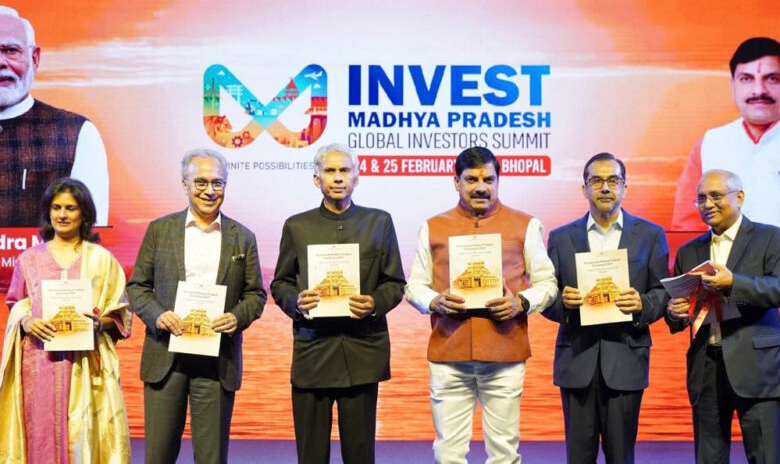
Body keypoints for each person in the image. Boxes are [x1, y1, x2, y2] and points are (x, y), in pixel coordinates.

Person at [405, 146, 558, 464]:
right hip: (449, 352)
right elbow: (414, 286)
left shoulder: (526, 224)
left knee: (504, 451)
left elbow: (548, 284)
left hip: (505, 352)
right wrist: (435, 301)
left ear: (498, 181)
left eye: (488, 179)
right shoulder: (432, 227)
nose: (480, 187)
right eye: (471, 179)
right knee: (447, 451)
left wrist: (521, 303)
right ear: (456, 181)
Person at [127, 149, 265, 464]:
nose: (209, 190)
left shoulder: (243, 237)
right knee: (158, 457)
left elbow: (256, 294)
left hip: (217, 360)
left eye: (217, 183)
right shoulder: (159, 230)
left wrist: (237, 317)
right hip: (166, 356)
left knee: (212, 458)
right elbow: (137, 287)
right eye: (200, 182)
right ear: (184, 184)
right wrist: (158, 316)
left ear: (225, 185)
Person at [271, 143, 405, 464]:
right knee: (311, 456)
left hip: (363, 354)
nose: (338, 177)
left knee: (360, 455)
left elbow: (395, 283)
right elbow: (280, 283)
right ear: (316, 178)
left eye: (345, 170)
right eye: (329, 171)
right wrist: (296, 302)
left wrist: (374, 303)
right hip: (312, 353)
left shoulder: (379, 222)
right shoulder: (296, 226)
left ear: (357, 177)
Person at [542, 153, 670, 464]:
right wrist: (563, 304)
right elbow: (546, 296)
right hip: (577, 360)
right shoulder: (560, 237)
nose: (605, 187)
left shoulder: (651, 235)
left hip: (626, 357)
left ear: (625, 187)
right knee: (578, 457)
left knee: (621, 456)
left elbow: (663, 292)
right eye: (596, 180)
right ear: (584, 188)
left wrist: (642, 304)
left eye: (613, 180)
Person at [0, 177, 131, 463]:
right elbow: (17, 304)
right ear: (48, 211)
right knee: (41, 435)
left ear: (84, 214)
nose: (62, 214)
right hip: (39, 362)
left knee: (84, 437)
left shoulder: (102, 259)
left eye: (70, 208)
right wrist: (26, 322)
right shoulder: (29, 259)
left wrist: (100, 324)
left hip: (86, 364)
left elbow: (121, 313)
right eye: (56, 207)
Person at [666, 169, 780, 464]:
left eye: (716, 196)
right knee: (709, 458)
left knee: (766, 456)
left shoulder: (770, 237)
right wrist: (674, 313)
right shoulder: (689, 251)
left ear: (739, 197)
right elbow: (681, 312)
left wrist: (733, 284)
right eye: (701, 198)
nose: (708, 204)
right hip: (705, 367)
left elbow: (776, 289)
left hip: (757, 368)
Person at [0, 6, 109, 227]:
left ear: (34, 58)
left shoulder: (77, 133)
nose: (1, 62)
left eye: (11, 50)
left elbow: (89, 234)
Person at [671, 37, 780, 231]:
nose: (758, 90)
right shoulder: (710, 143)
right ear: (733, 85)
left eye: (772, 78)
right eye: (746, 79)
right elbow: (687, 227)